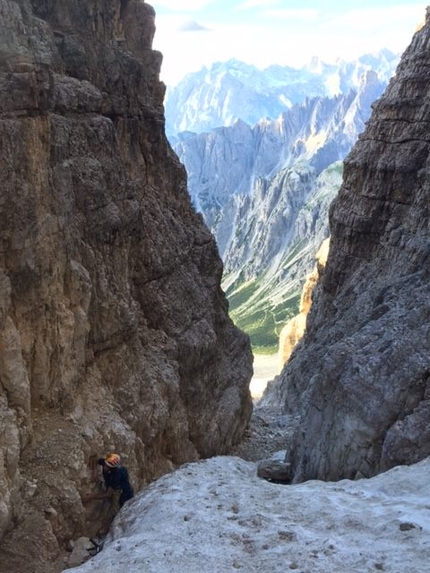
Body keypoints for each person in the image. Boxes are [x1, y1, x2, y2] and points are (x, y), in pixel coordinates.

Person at [82, 453, 134, 535]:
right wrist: (94, 470)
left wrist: (92, 497)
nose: (105, 467)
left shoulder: (116, 475)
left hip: (119, 490)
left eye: (107, 467)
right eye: (105, 465)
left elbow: (108, 494)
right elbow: (95, 458)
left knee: (116, 508)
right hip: (111, 484)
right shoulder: (106, 463)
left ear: (112, 468)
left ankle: (118, 526)